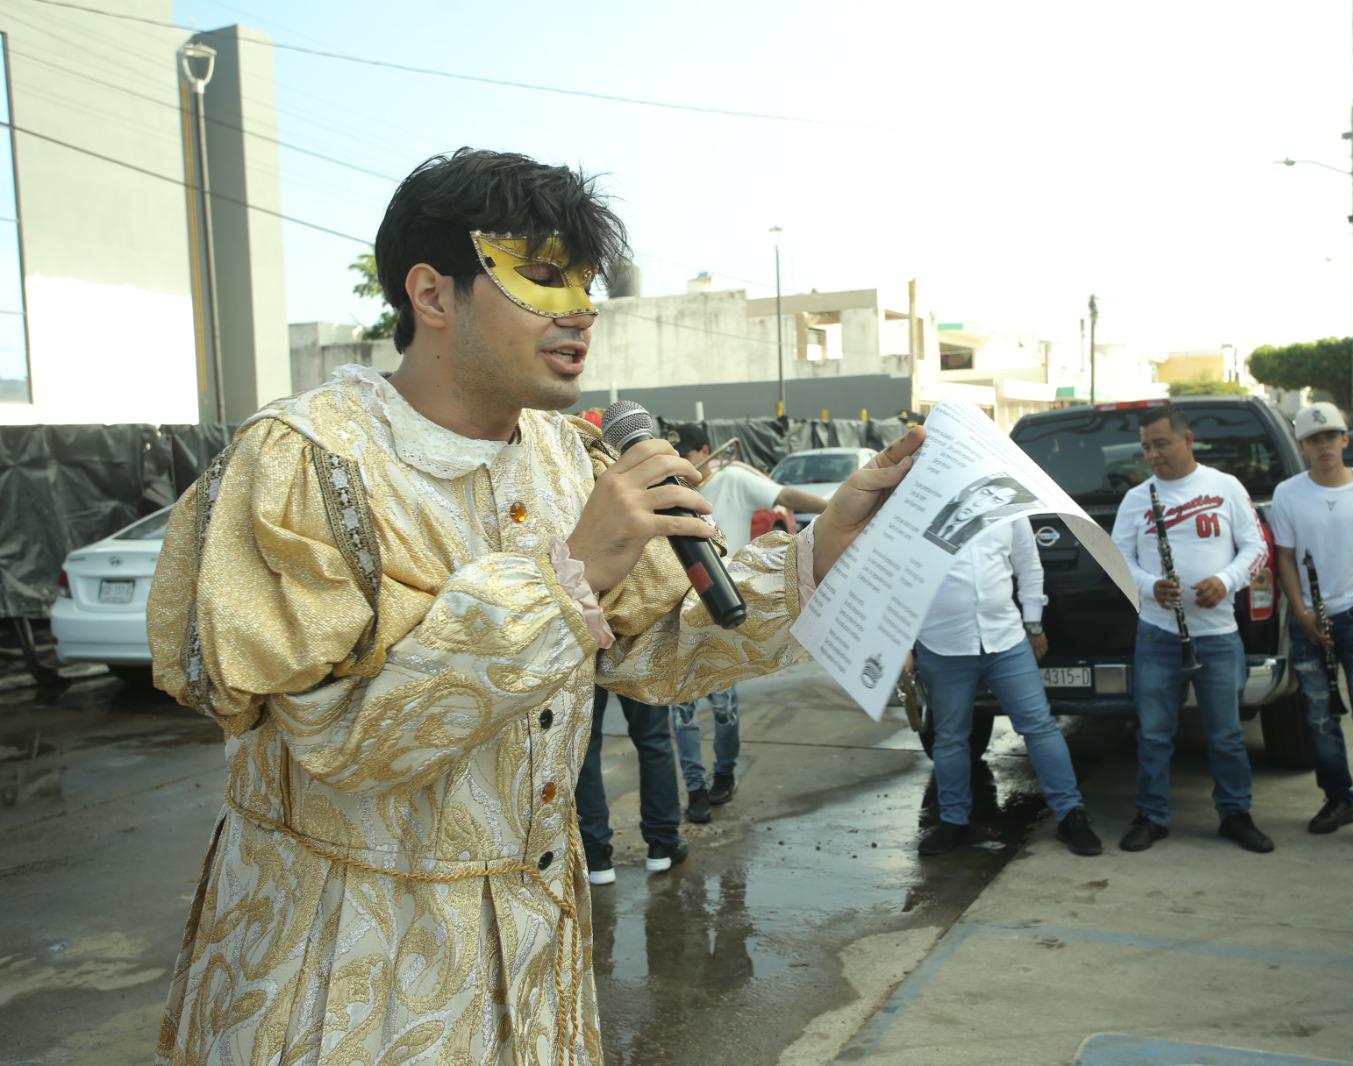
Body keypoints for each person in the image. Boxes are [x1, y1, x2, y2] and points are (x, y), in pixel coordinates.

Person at [143, 148, 925, 1064]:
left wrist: (825, 542)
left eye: (588, 282)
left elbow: (653, 653)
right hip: (345, 960)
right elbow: (342, 742)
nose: (581, 310)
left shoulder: (567, 457)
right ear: (433, 295)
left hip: (532, 954)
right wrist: (571, 575)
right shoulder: (307, 462)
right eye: (544, 278)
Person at [1111, 406, 1274, 854]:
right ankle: (1152, 816)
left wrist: (1226, 582)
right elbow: (1118, 560)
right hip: (1158, 634)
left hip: (1219, 634)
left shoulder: (1224, 487)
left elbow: (1256, 546)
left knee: (1225, 734)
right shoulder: (1136, 499)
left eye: (1161, 444)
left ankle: (1236, 814)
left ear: (1187, 439)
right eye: (1146, 447)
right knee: (1154, 733)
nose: (1154, 455)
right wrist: (1148, 586)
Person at [914, 514, 1102, 857]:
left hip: (1005, 638)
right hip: (942, 643)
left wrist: (1033, 624)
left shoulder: (1004, 501)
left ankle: (1071, 814)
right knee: (951, 735)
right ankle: (953, 820)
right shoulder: (916, 503)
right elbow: (898, 577)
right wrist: (899, 641)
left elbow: (1029, 565)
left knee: (1039, 726)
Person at [668, 425, 830, 823]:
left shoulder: (733, 480)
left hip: (722, 611)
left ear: (705, 450)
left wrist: (838, 511)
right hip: (674, 613)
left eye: (687, 454)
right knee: (682, 713)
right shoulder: (669, 493)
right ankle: (694, 788)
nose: (684, 463)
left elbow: (787, 497)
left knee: (724, 707)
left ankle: (724, 771)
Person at [1269, 402, 1353, 851]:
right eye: (1314, 440)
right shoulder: (1289, 493)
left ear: (1345, 440)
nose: (1324, 446)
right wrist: (1300, 612)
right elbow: (1285, 558)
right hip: (1309, 621)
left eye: (1331, 437)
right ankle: (1337, 799)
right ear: (1302, 447)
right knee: (1319, 719)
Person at [576, 688, 689, 884]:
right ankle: (662, 844)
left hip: (581, 659)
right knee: (653, 737)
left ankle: (595, 856)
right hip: (634, 658)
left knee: (584, 745)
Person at [922, 475, 1039, 552]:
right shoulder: (932, 506)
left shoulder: (982, 536)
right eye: (985, 492)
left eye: (996, 500)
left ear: (998, 507)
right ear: (975, 489)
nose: (978, 503)